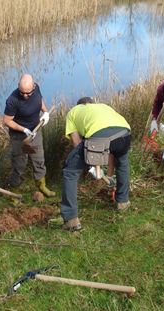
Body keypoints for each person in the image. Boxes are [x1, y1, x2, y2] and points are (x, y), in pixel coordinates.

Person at [61, 97, 131, 231]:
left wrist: (90, 164)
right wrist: (107, 175)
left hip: (99, 136)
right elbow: (111, 148)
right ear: (91, 103)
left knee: (70, 172)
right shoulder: (103, 105)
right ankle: (122, 202)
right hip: (125, 133)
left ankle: (71, 220)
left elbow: (77, 143)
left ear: (79, 105)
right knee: (122, 162)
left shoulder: (72, 112)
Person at [3, 74, 55, 197]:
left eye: (28, 93)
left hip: (36, 131)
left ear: (34, 87)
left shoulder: (36, 89)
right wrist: (23, 129)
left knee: (39, 160)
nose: (25, 95)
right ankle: (15, 193)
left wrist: (45, 112)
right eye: (22, 93)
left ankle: (41, 186)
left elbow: (39, 100)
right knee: (19, 164)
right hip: (20, 137)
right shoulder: (12, 100)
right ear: (18, 87)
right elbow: (6, 121)